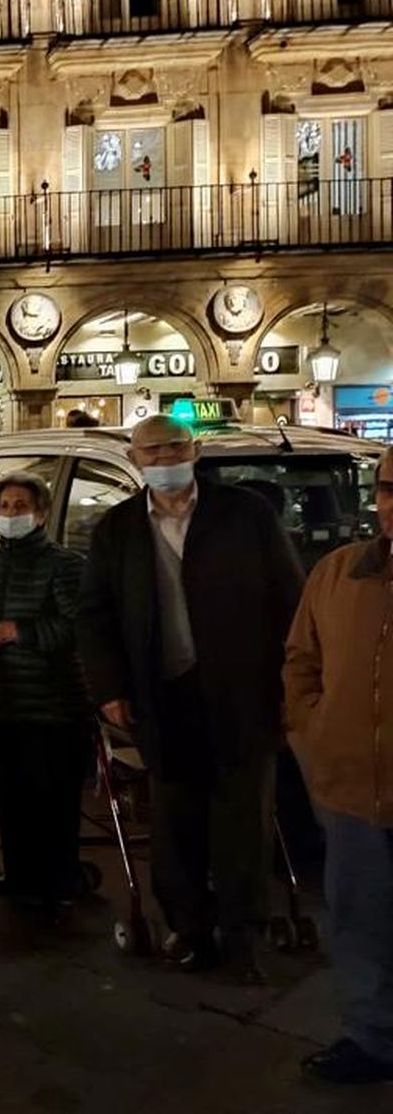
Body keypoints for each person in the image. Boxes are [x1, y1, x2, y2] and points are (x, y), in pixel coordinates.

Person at [78, 415, 302, 979]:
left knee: (244, 819)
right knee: (175, 822)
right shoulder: (118, 529)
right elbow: (95, 616)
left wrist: (291, 683)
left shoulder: (246, 515)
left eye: (174, 446)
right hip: (163, 693)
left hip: (241, 691)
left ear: (195, 450)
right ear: (134, 459)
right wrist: (109, 689)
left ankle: (242, 933)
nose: (164, 458)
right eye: (151, 451)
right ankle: (190, 927)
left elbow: (289, 600)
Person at [283, 445, 393, 1085]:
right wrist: (312, 727)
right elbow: (301, 658)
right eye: (387, 489)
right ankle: (373, 1038)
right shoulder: (338, 572)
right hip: (353, 785)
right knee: (359, 917)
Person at [0, 472, 90, 919]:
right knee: (13, 795)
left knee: (54, 798)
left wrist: (21, 632)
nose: (12, 514)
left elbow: (78, 627)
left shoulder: (65, 564)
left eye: (21, 506)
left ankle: (59, 880)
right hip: (5, 700)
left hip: (53, 702)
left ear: (40, 513)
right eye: (5, 506)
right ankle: (20, 876)